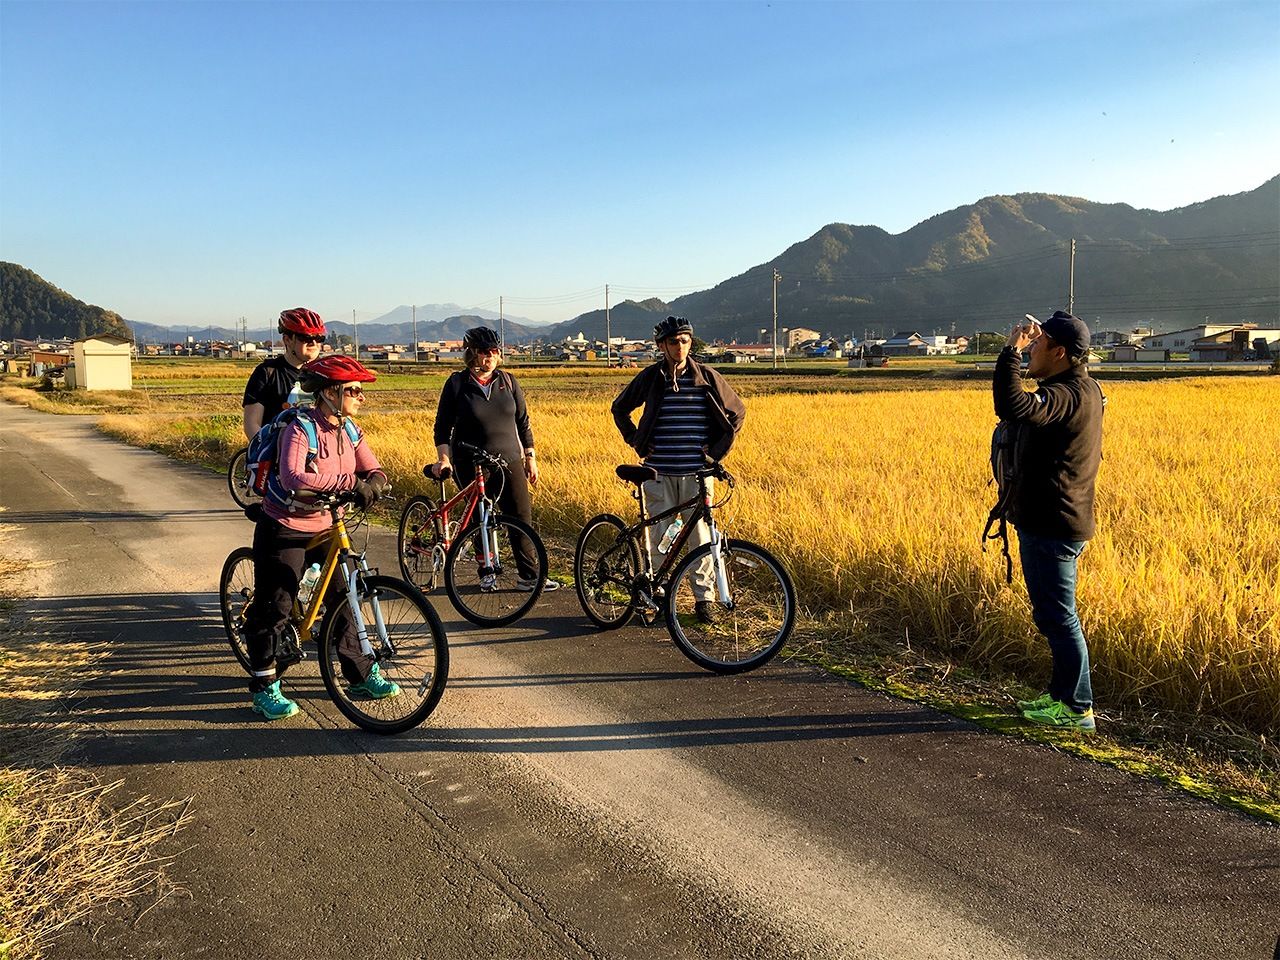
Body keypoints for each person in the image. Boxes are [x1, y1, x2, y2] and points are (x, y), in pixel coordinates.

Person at [244, 354, 393, 720]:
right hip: (285, 525)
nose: (361, 397)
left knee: (346, 598)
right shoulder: (301, 428)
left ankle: (359, 675)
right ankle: (264, 686)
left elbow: (373, 467)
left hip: (328, 524)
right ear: (329, 392)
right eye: (353, 390)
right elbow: (293, 477)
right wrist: (348, 482)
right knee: (275, 606)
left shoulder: (350, 430)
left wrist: (374, 482)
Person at [995, 310, 1104, 731]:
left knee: (1059, 618)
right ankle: (1061, 696)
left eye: (1038, 344)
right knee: (1052, 616)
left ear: (1059, 353)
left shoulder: (1068, 394)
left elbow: (1012, 404)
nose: (1031, 349)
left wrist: (1010, 352)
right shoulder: (1081, 388)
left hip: (1052, 524)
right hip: (1052, 521)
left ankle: (1076, 707)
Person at [610, 316, 746, 623]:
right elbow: (620, 408)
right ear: (661, 346)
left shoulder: (706, 377)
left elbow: (737, 412)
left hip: (698, 473)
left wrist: (716, 451)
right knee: (662, 536)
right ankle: (657, 595)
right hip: (658, 472)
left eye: (685, 340)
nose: (680, 346)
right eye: (673, 341)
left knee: (701, 536)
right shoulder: (650, 378)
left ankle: (704, 599)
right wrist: (637, 441)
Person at [431, 326, 559, 592]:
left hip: (509, 459)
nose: (489, 356)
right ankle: (486, 570)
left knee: (520, 516)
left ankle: (529, 576)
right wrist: (444, 459)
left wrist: (530, 457)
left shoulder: (508, 382)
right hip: (469, 460)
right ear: (471, 354)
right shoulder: (457, 384)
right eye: (483, 352)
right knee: (480, 517)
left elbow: (523, 422)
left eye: (494, 351)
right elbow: (442, 428)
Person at [241, 307, 327, 442]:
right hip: (277, 448)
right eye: (306, 338)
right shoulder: (267, 372)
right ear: (287, 340)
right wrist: (268, 449)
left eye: (319, 338)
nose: (314, 343)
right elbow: (252, 423)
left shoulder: (326, 373)